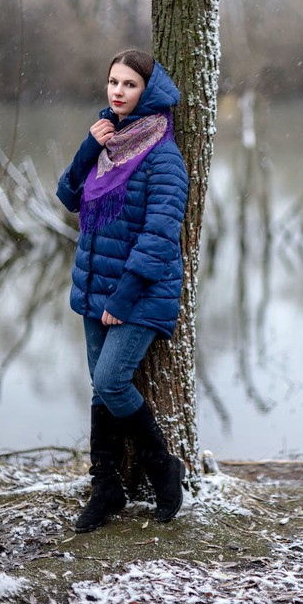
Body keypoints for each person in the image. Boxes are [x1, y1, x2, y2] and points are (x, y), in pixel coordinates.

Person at [56, 49, 189, 533]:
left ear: (147, 93)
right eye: (113, 81)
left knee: (111, 381)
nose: (117, 91)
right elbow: (69, 195)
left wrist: (122, 298)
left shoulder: (164, 158)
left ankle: (162, 469)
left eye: (129, 84)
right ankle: (106, 485)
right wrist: (89, 148)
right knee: (100, 389)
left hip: (137, 293)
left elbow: (159, 236)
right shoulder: (106, 145)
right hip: (94, 287)